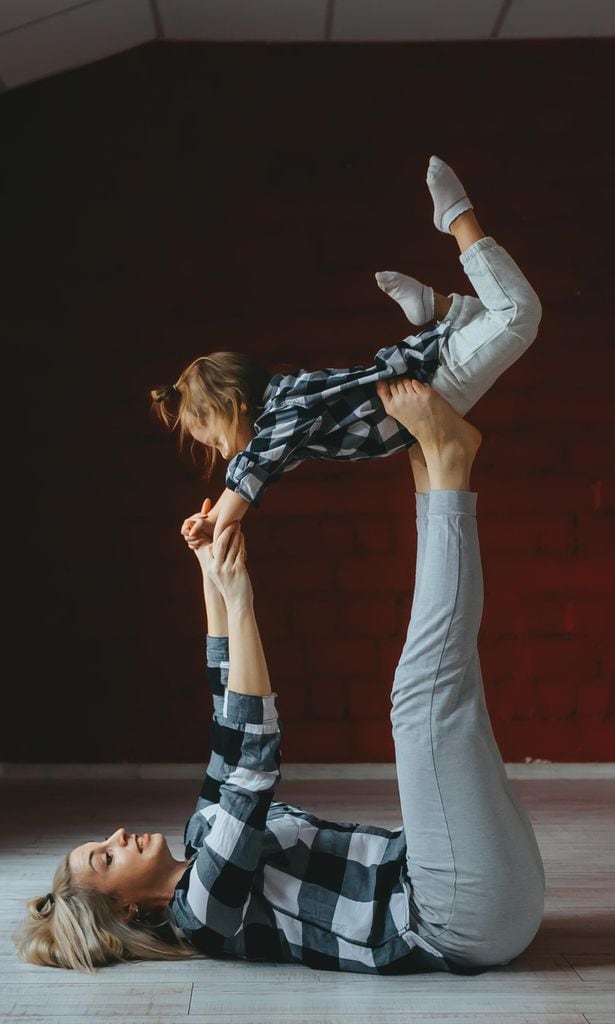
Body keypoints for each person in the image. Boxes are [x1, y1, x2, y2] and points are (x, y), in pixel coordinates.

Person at [15, 380, 545, 973]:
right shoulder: (202, 914)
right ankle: (448, 467)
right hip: (454, 920)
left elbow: (228, 715)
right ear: (130, 912)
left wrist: (210, 572)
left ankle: (434, 470)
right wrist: (242, 603)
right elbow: (253, 769)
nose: (117, 836)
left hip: (468, 881)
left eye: (102, 843)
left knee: (448, 685)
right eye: (107, 858)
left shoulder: (202, 834)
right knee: (423, 700)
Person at [149, 155, 542, 551]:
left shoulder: (283, 414)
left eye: (217, 441)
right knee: (487, 315)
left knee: (517, 313)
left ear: (237, 404)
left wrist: (216, 525)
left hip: (434, 386)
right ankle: (435, 307)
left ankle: (457, 218)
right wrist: (209, 516)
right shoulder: (289, 408)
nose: (225, 453)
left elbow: (255, 466)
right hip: (424, 379)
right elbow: (261, 462)